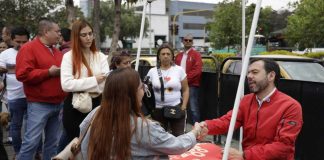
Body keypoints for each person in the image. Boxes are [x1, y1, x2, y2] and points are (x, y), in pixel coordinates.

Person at [80, 68, 201, 159]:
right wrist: (195, 132)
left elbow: (82, 138)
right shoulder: (144, 128)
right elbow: (177, 145)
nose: (144, 90)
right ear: (131, 95)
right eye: (141, 87)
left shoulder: (96, 113)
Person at [199, 59, 303, 160]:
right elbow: (228, 121)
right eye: (248, 72)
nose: (249, 76)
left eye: (255, 72)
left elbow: (283, 146)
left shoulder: (291, 106)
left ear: (271, 76)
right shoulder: (246, 100)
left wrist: (244, 156)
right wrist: (206, 126)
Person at [15, 18, 66, 160]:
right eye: (57, 31)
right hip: (39, 104)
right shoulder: (28, 48)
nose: (59, 34)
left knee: (52, 144)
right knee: (31, 143)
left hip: (58, 103)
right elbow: (22, 74)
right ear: (46, 32)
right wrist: (48, 72)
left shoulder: (56, 51)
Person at [59, 19, 109, 149]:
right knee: (73, 145)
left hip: (97, 104)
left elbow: (106, 82)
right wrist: (94, 80)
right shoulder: (68, 57)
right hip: (75, 105)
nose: (88, 38)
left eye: (90, 33)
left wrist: (81, 83)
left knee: (95, 144)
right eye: (83, 35)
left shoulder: (100, 56)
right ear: (76, 37)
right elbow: (66, 85)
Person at [146, 43, 189, 136]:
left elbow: (186, 90)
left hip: (176, 108)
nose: (165, 56)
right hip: (158, 110)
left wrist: (184, 106)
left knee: (179, 137)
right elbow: (146, 91)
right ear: (158, 56)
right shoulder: (152, 72)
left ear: (172, 56)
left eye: (168, 54)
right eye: (163, 54)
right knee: (159, 138)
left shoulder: (179, 70)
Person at [175, 34, 202, 124]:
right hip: (178, 85)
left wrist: (184, 80)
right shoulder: (178, 56)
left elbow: (197, 71)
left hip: (192, 86)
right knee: (178, 106)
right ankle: (179, 127)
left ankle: (197, 130)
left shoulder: (196, 55)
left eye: (190, 40)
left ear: (192, 42)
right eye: (186, 40)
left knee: (194, 108)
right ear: (183, 41)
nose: (188, 42)